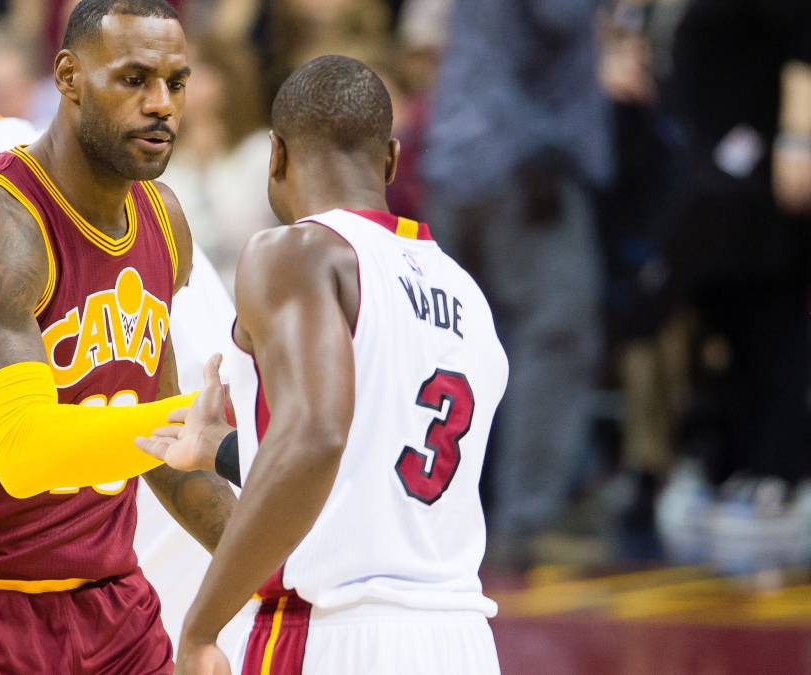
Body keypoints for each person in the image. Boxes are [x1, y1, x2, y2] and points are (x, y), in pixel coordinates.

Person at [0, 2, 236, 672]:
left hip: (110, 605)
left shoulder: (163, 219)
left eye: (176, 83)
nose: (161, 105)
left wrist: (284, 574)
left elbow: (168, 462)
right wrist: (185, 425)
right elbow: (23, 450)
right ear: (68, 76)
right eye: (135, 79)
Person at [137, 56, 507, 674]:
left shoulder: (295, 253)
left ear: (274, 155)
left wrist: (202, 626)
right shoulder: (466, 292)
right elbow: (369, 473)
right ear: (389, 160)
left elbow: (315, 438)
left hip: (335, 633)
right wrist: (223, 446)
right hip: (461, 636)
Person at [422, 0, 610, 561]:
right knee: (556, 335)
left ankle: (429, 512)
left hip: (456, 152)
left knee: (447, 344)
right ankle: (530, 520)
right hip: (524, 159)